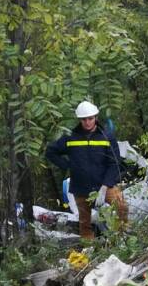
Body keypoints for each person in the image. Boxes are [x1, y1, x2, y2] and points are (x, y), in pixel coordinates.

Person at [45, 101, 128, 240]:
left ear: (96, 117)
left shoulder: (106, 136)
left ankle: (123, 237)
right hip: (80, 187)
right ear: (79, 120)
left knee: (122, 206)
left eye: (90, 118)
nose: (87, 122)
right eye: (84, 119)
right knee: (85, 222)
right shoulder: (70, 137)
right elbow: (50, 151)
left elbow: (114, 163)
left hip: (104, 185)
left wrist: (105, 186)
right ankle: (88, 248)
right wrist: (67, 166)